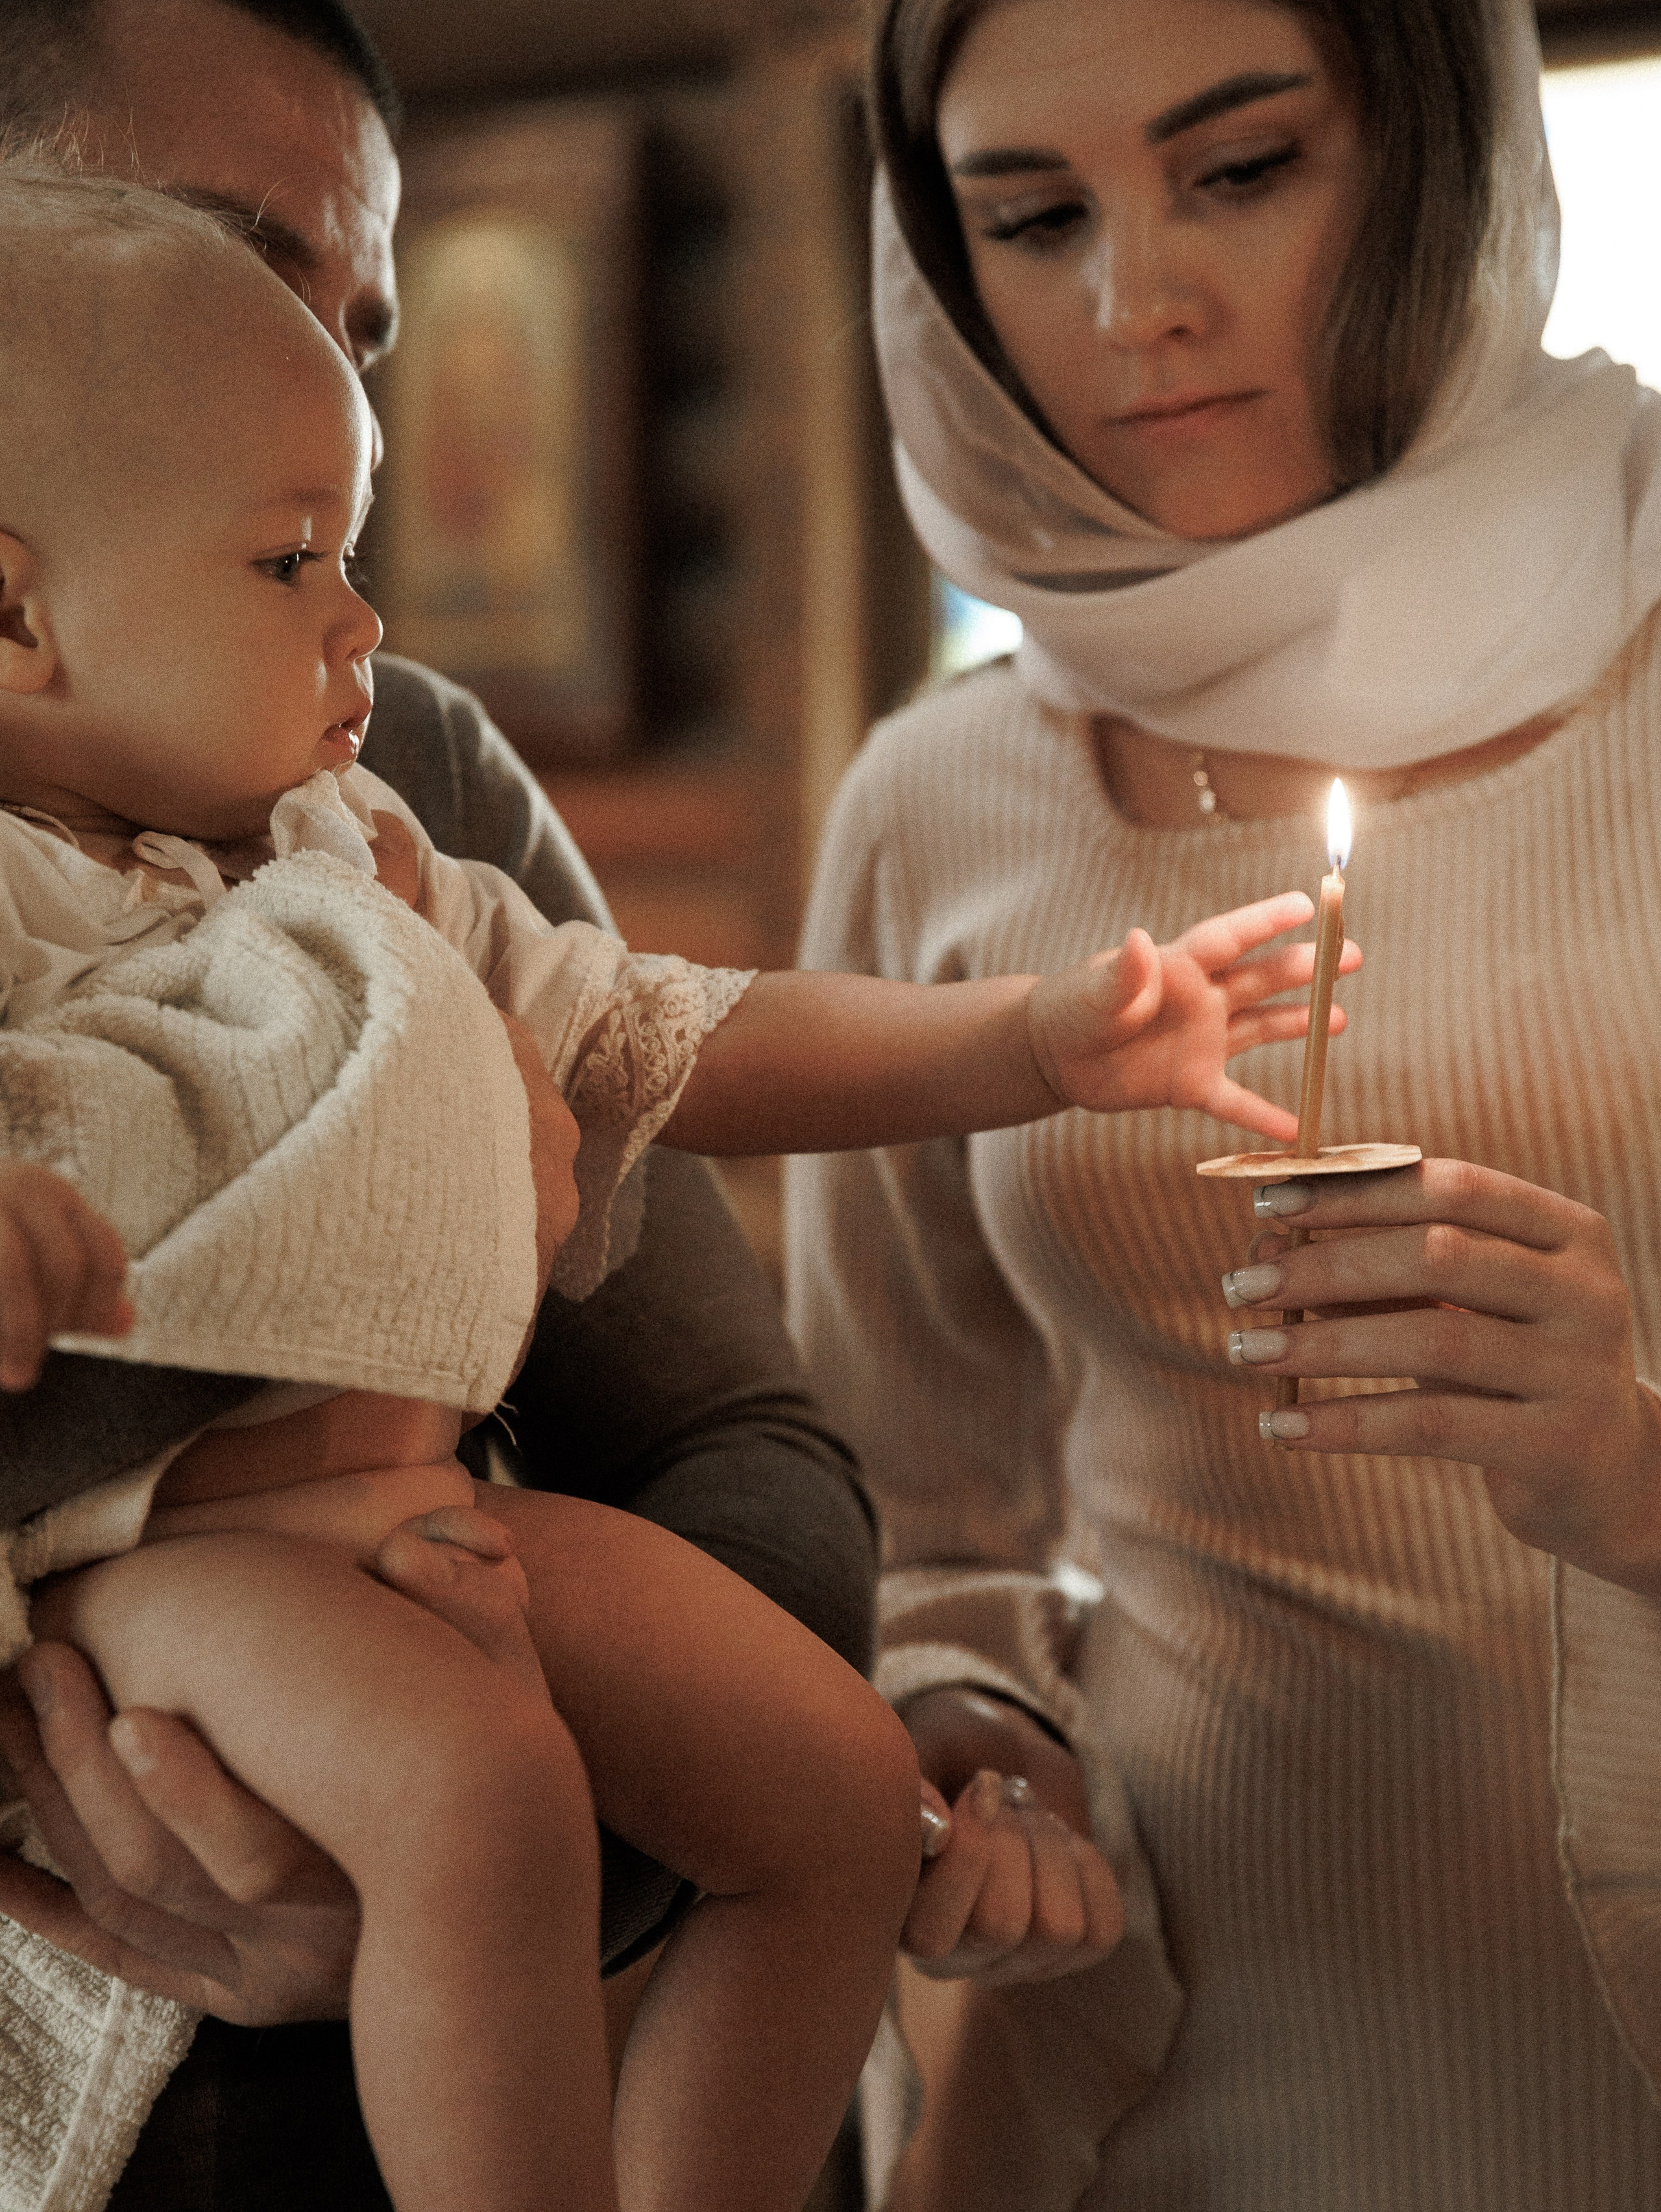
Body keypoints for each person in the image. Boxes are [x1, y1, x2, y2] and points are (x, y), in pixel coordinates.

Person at [0, 158, 1347, 2212]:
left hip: (426, 1509)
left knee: (833, 1791)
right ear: (15, 609)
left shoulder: (354, 860)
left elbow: (671, 1028)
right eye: (289, 562)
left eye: (354, 552)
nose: (363, 622)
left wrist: (1037, 1042)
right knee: (481, 1795)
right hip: (169, 1559)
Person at [786, 0, 1661, 2204]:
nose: (1132, 304)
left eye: (1244, 170)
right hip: (1150, 2053)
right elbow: (923, 1517)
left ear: (1439, 154)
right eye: (1035, 216)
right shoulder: (940, 797)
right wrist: (980, 1750)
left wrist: (1637, 1469)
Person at [0, 5, 872, 2202]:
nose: (297, 359)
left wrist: (523, 1846)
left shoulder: (396, 790)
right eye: (219, 250)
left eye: (358, 318)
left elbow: (747, 1457)